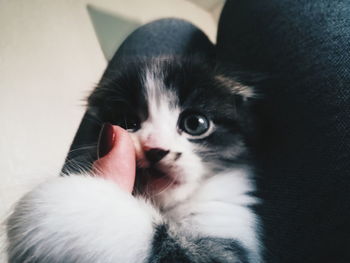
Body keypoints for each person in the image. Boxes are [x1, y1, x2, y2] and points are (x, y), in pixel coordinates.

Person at [63, 1, 350, 262]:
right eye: (130, 123)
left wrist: (97, 228)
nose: (155, 144)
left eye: (193, 124)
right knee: (169, 29)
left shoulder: (224, 194)